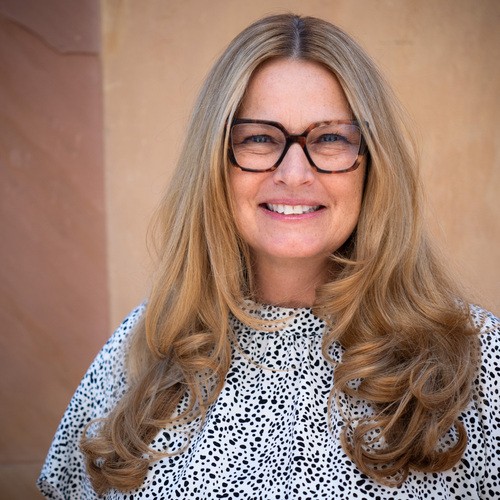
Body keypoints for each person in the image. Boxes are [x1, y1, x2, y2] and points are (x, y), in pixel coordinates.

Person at [38, 13, 499, 499]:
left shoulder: (478, 363)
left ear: (373, 165)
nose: (294, 174)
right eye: (259, 137)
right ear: (214, 162)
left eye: (330, 138)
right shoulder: (142, 350)